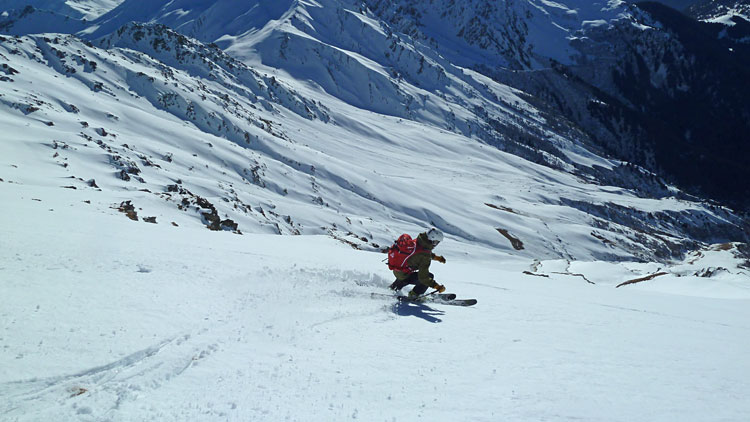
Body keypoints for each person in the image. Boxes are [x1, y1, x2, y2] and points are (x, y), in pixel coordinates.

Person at [388, 227, 447, 299]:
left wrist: (436, 257)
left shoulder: (419, 241)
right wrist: (436, 286)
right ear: (432, 240)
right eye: (436, 242)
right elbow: (423, 278)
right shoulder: (425, 256)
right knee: (429, 276)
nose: (436, 244)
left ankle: (393, 287)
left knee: (405, 275)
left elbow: (419, 252)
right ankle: (414, 295)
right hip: (405, 274)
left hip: (398, 269)